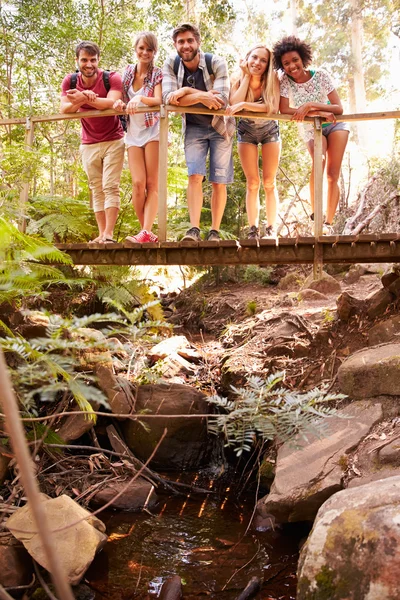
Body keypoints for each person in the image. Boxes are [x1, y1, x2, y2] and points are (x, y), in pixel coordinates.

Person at [162, 23, 235, 242]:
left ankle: (214, 231)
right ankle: (193, 229)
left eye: (189, 40)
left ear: (198, 42)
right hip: (193, 127)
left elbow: (220, 101)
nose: (185, 45)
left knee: (218, 180)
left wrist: (184, 93)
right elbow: (168, 100)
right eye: (181, 41)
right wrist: (202, 95)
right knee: (194, 175)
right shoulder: (171, 64)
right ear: (175, 45)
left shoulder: (216, 62)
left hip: (219, 125)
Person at [273, 35, 349, 232]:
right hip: (310, 127)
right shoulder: (285, 82)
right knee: (319, 160)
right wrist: (316, 113)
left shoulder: (321, 75)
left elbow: (338, 108)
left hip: (335, 125)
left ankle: (328, 224)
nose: (292, 66)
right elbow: (284, 110)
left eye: (295, 60)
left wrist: (310, 105)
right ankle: (316, 215)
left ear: (303, 59)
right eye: (286, 63)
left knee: (332, 174)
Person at [60, 41, 125, 243]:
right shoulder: (70, 81)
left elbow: (112, 103)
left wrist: (85, 99)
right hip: (88, 142)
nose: (89, 64)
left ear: (98, 60)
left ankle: (109, 234)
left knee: (110, 186)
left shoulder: (111, 78)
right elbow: (64, 109)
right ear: (77, 61)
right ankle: (101, 233)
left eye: (93, 60)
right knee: (96, 187)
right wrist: (83, 98)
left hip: (114, 138)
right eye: (84, 60)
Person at [113, 32, 163, 243]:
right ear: (136, 48)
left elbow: (159, 100)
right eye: (142, 48)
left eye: (149, 49)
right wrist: (117, 103)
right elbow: (118, 97)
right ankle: (146, 232)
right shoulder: (126, 73)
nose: (145, 53)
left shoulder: (157, 73)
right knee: (137, 183)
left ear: (154, 53)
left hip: (152, 131)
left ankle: (144, 231)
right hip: (133, 133)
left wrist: (141, 97)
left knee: (152, 184)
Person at [228, 45, 280, 239]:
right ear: (247, 58)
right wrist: (246, 77)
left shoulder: (272, 79)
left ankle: (271, 228)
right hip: (246, 130)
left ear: (268, 65)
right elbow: (234, 103)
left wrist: (245, 105)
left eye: (263, 60)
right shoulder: (238, 78)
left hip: (269, 130)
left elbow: (272, 107)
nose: (257, 63)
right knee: (252, 183)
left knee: (269, 182)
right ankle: (253, 229)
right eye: (254, 58)